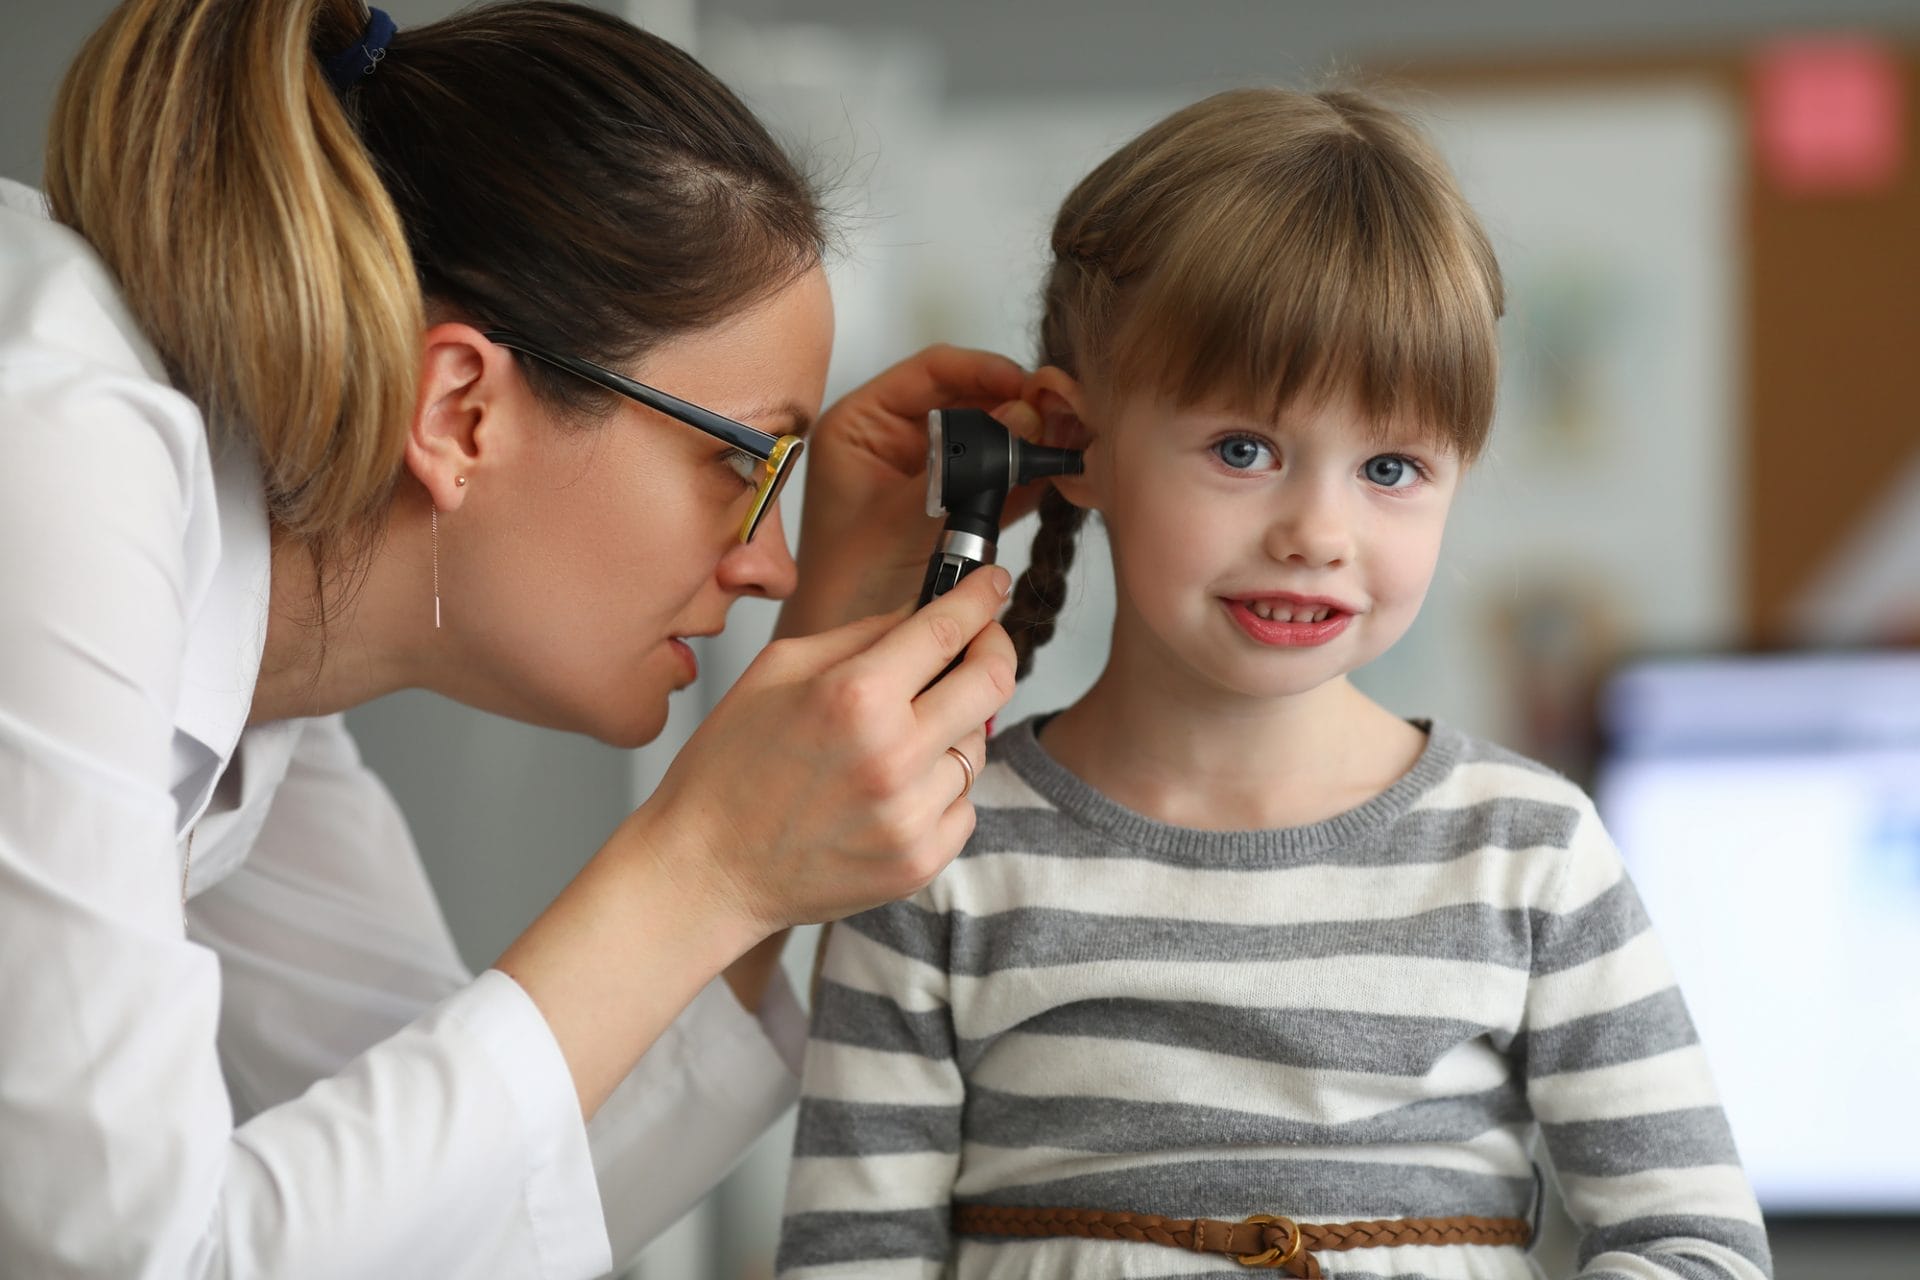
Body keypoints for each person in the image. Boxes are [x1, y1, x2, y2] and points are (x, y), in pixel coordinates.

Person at [0, 1, 1039, 1275]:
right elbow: (132, 1256)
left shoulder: (260, 672)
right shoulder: (54, 449)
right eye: (741, 460)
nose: (766, 567)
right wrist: (704, 859)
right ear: (462, 410)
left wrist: (828, 639)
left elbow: (463, 1198)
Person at [777, 87, 1773, 1279]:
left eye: (1392, 465)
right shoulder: (936, 845)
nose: (1318, 529)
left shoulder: (1529, 851)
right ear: (1070, 440)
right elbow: (851, 1256)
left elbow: (1694, 1243)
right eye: (1243, 449)